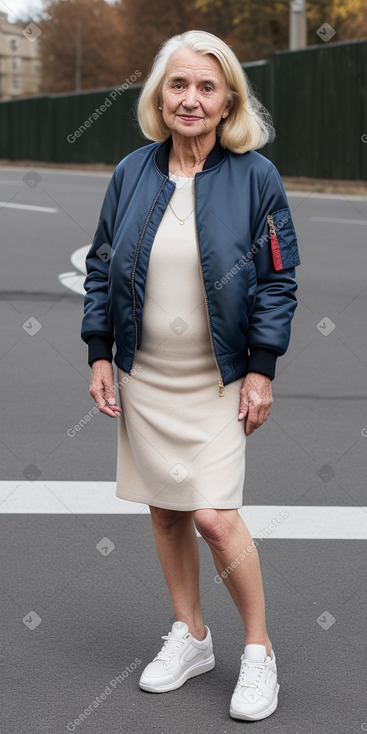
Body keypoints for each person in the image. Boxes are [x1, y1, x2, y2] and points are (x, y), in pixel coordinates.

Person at [81, 30, 300, 722]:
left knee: (212, 514)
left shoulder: (255, 176)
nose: (190, 98)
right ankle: (192, 635)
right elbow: (100, 267)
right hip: (145, 375)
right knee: (166, 507)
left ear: (228, 97)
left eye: (206, 86)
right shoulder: (131, 172)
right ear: (158, 95)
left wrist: (261, 371)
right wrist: (98, 352)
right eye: (177, 85)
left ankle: (258, 651)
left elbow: (276, 278)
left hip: (218, 379)